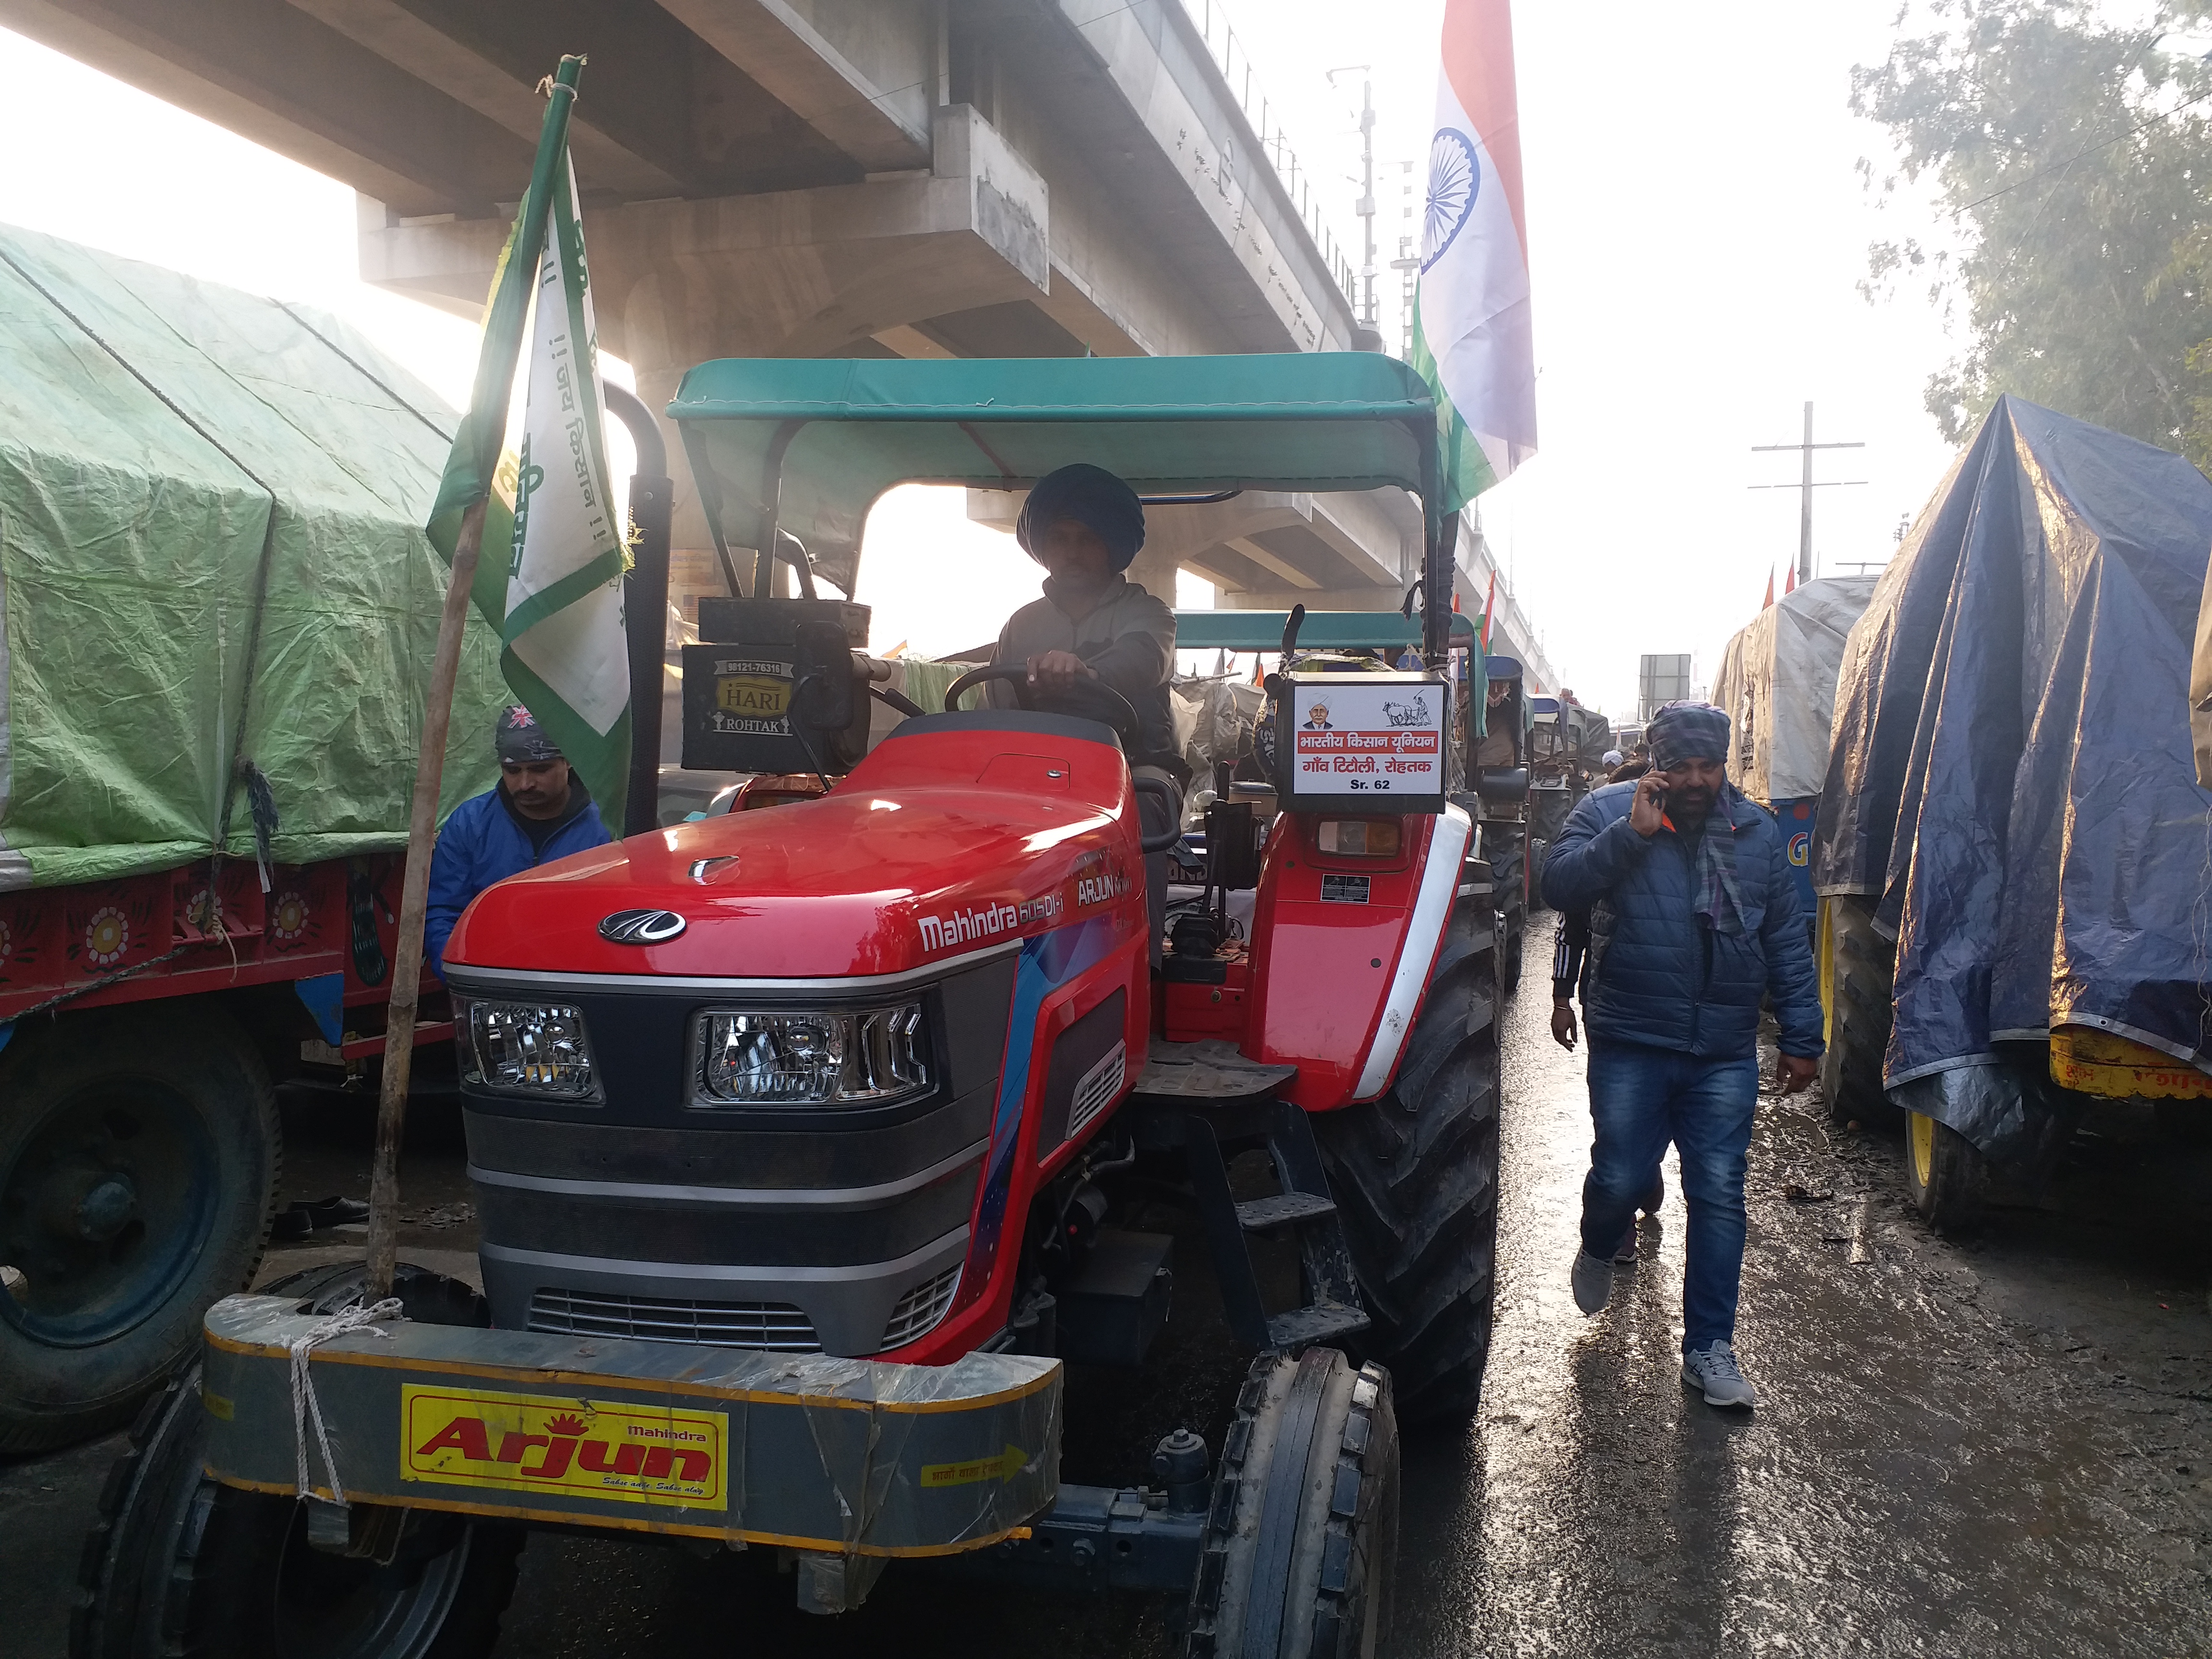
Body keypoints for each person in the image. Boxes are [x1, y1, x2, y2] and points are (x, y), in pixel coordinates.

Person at [1539, 700, 1822, 1409]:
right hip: (1632, 1037)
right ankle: (1600, 1240)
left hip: (1722, 1049)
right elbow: (1556, 886)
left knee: (1720, 1194)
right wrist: (1630, 839)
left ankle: (1709, 1348)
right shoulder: (1609, 812)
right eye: (1681, 766)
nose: (1696, 781)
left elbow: (1784, 939)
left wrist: (1802, 1036)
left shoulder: (1753, 831)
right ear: (1657, 763)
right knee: (1621, 1176)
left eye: (1709, 766)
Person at [990, 463, 1180, 953]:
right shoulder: (1021, 624)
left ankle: (1144, 962)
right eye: (1060, 538)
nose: (1072, 553)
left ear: (1113, 546)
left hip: (1133, 765)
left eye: (1087, 539)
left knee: (1148, 806)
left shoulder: (1147, 612)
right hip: (1038, 772)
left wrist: (1083, 671)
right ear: (1043, 546)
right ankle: (1003, 952)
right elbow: (997, 705)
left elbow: (1142, 660)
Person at [425, 705, 613, 978]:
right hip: (489, 985)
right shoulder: (470, 823)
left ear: (569, 760)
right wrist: (461, 979)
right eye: (512, 770)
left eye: (540, 769)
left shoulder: (609, 827)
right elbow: (443, 913)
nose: (525, 783)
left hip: (579, 985)